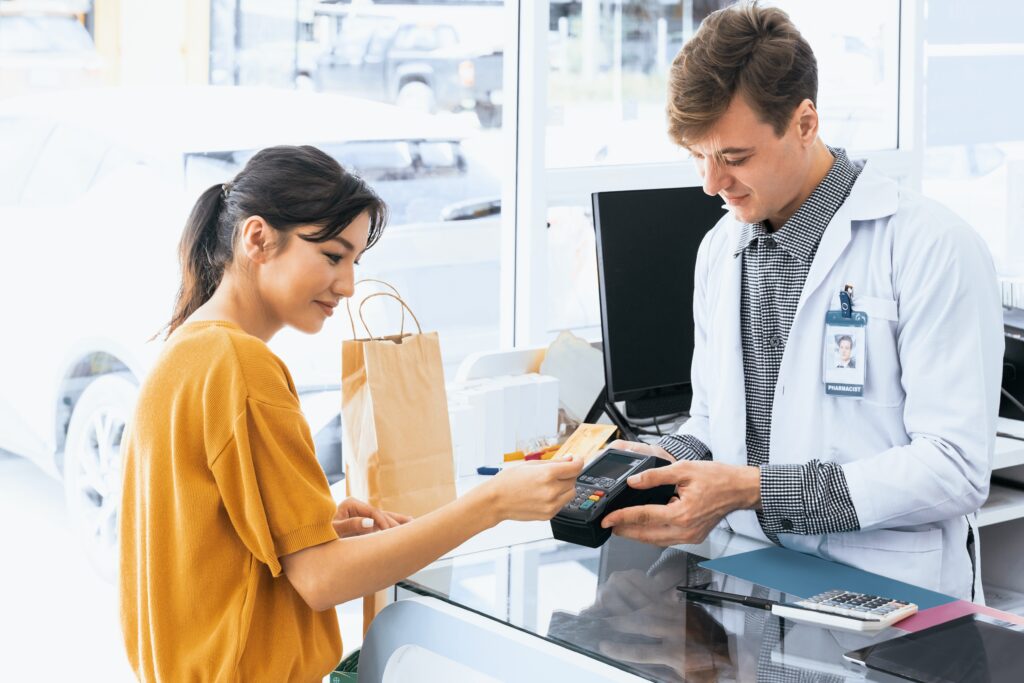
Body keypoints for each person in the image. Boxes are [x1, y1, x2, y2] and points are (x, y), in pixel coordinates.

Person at [119, 145, 583, 681]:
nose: (347, 285)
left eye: (355, 261)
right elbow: (322, 581)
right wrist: (494, 501)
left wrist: (309, 529)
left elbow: (200, 550)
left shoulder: (186, 352)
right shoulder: (241, 365)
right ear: (257, 239)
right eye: (333, 256)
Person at [601, 2, 1003, 601]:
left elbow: (953, 466)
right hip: (750, 578)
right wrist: (641, 463)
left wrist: (754, 489)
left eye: (733, 158)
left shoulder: (930, 246)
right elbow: (714, 423)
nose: (711, 184)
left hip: (887, 590)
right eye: (698, 157)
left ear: (804, 123)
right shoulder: (720, 248)